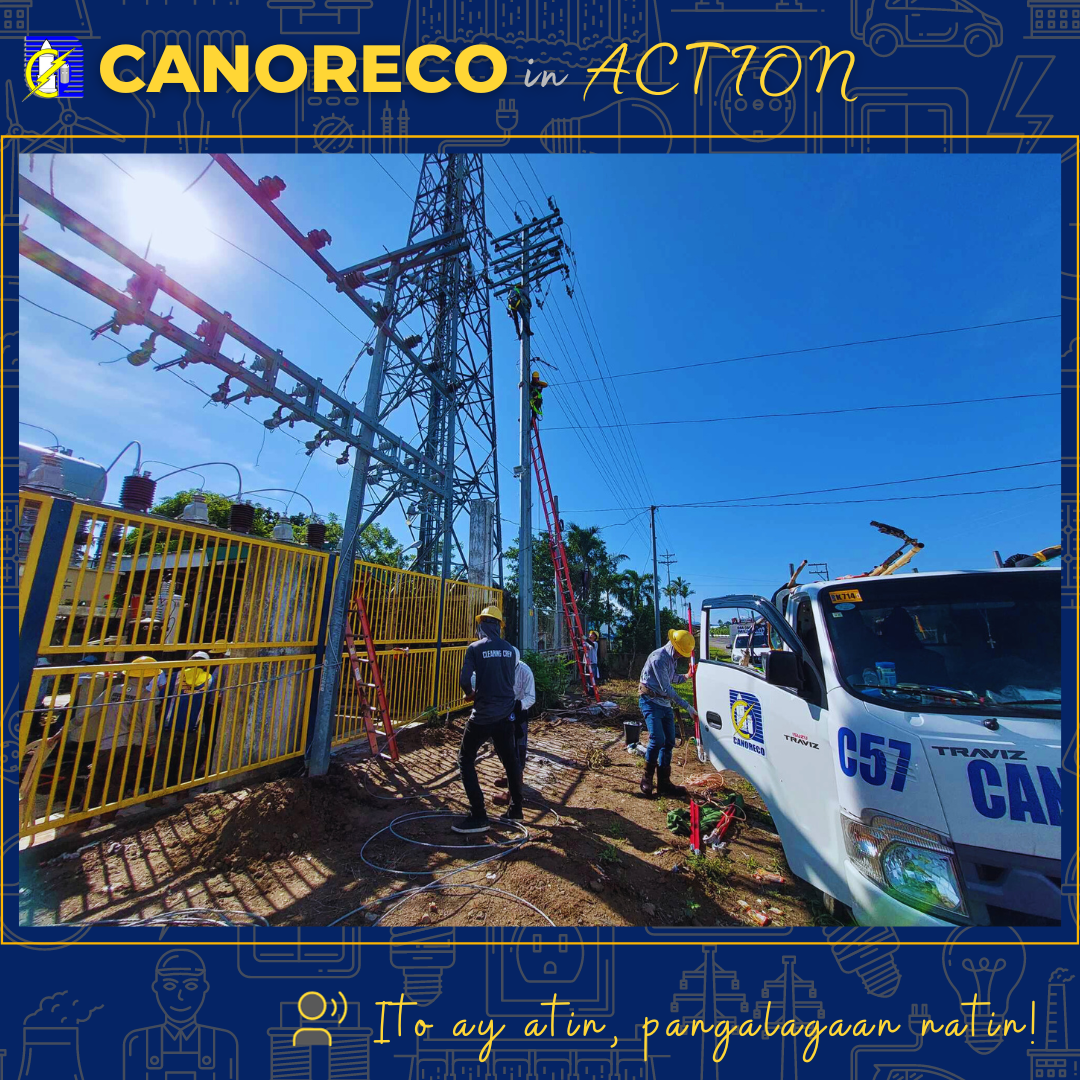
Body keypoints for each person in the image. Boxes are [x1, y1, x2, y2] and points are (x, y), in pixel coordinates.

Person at [455, 605, 523, 832]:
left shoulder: (475, 648)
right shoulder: (510, 650)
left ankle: (479, 814)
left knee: (465, 759)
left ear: (482, 626)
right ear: (499, 627)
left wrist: (469, 693)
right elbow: (507, 681)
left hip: (483, 717)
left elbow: (464, 680)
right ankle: (516, 809)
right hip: (506, 716)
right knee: (510, 761)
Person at [122, 950, 238, 1080]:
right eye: (170, 986)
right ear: (156, 987)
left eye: (191, 986)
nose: (180, 996)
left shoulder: (222, 1043)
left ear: (204, 987)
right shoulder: (139, 1043)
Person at [637, 629, 698, 798]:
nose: (681, 656)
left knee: (669, 741)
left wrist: (687, 676)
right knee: (657, 739)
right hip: (650, 701)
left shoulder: (672, 659)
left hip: (664, 703)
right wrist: (688, 707)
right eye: (680, 652)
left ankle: (664, 783)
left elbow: (672, 678)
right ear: (674, 645)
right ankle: (647, 778)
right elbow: (667, 688)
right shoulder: (658, 658)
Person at [153, 651, 218, 791]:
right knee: (187, 759)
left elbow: (162, 696)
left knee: (162, 759)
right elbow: (209, 701)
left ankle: (156, 793)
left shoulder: (177, 676)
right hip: (191, 726)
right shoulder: (209, 679)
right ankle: (183, 791)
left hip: (169, 724)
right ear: (205, 665)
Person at [493, 652, 536, 808]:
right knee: (501, 746)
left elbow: (531, 697)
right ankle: (510, 775)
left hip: (518, 713)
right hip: (501, 711)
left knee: (517, 749)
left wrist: (517, 705)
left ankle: (513, 792)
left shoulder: (525, 672)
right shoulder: (498, 668)